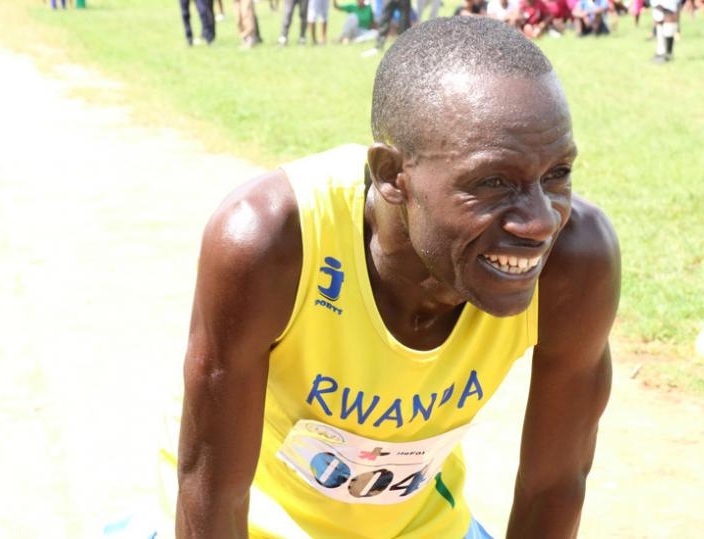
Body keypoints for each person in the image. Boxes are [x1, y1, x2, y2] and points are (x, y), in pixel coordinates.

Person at [175, 15, 620, 538]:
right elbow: (211, 489)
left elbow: (555, 483)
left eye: (557, 175)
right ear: (391, 176)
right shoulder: (271, 243)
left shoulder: (574, 262)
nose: (542, 219)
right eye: (494, 182)